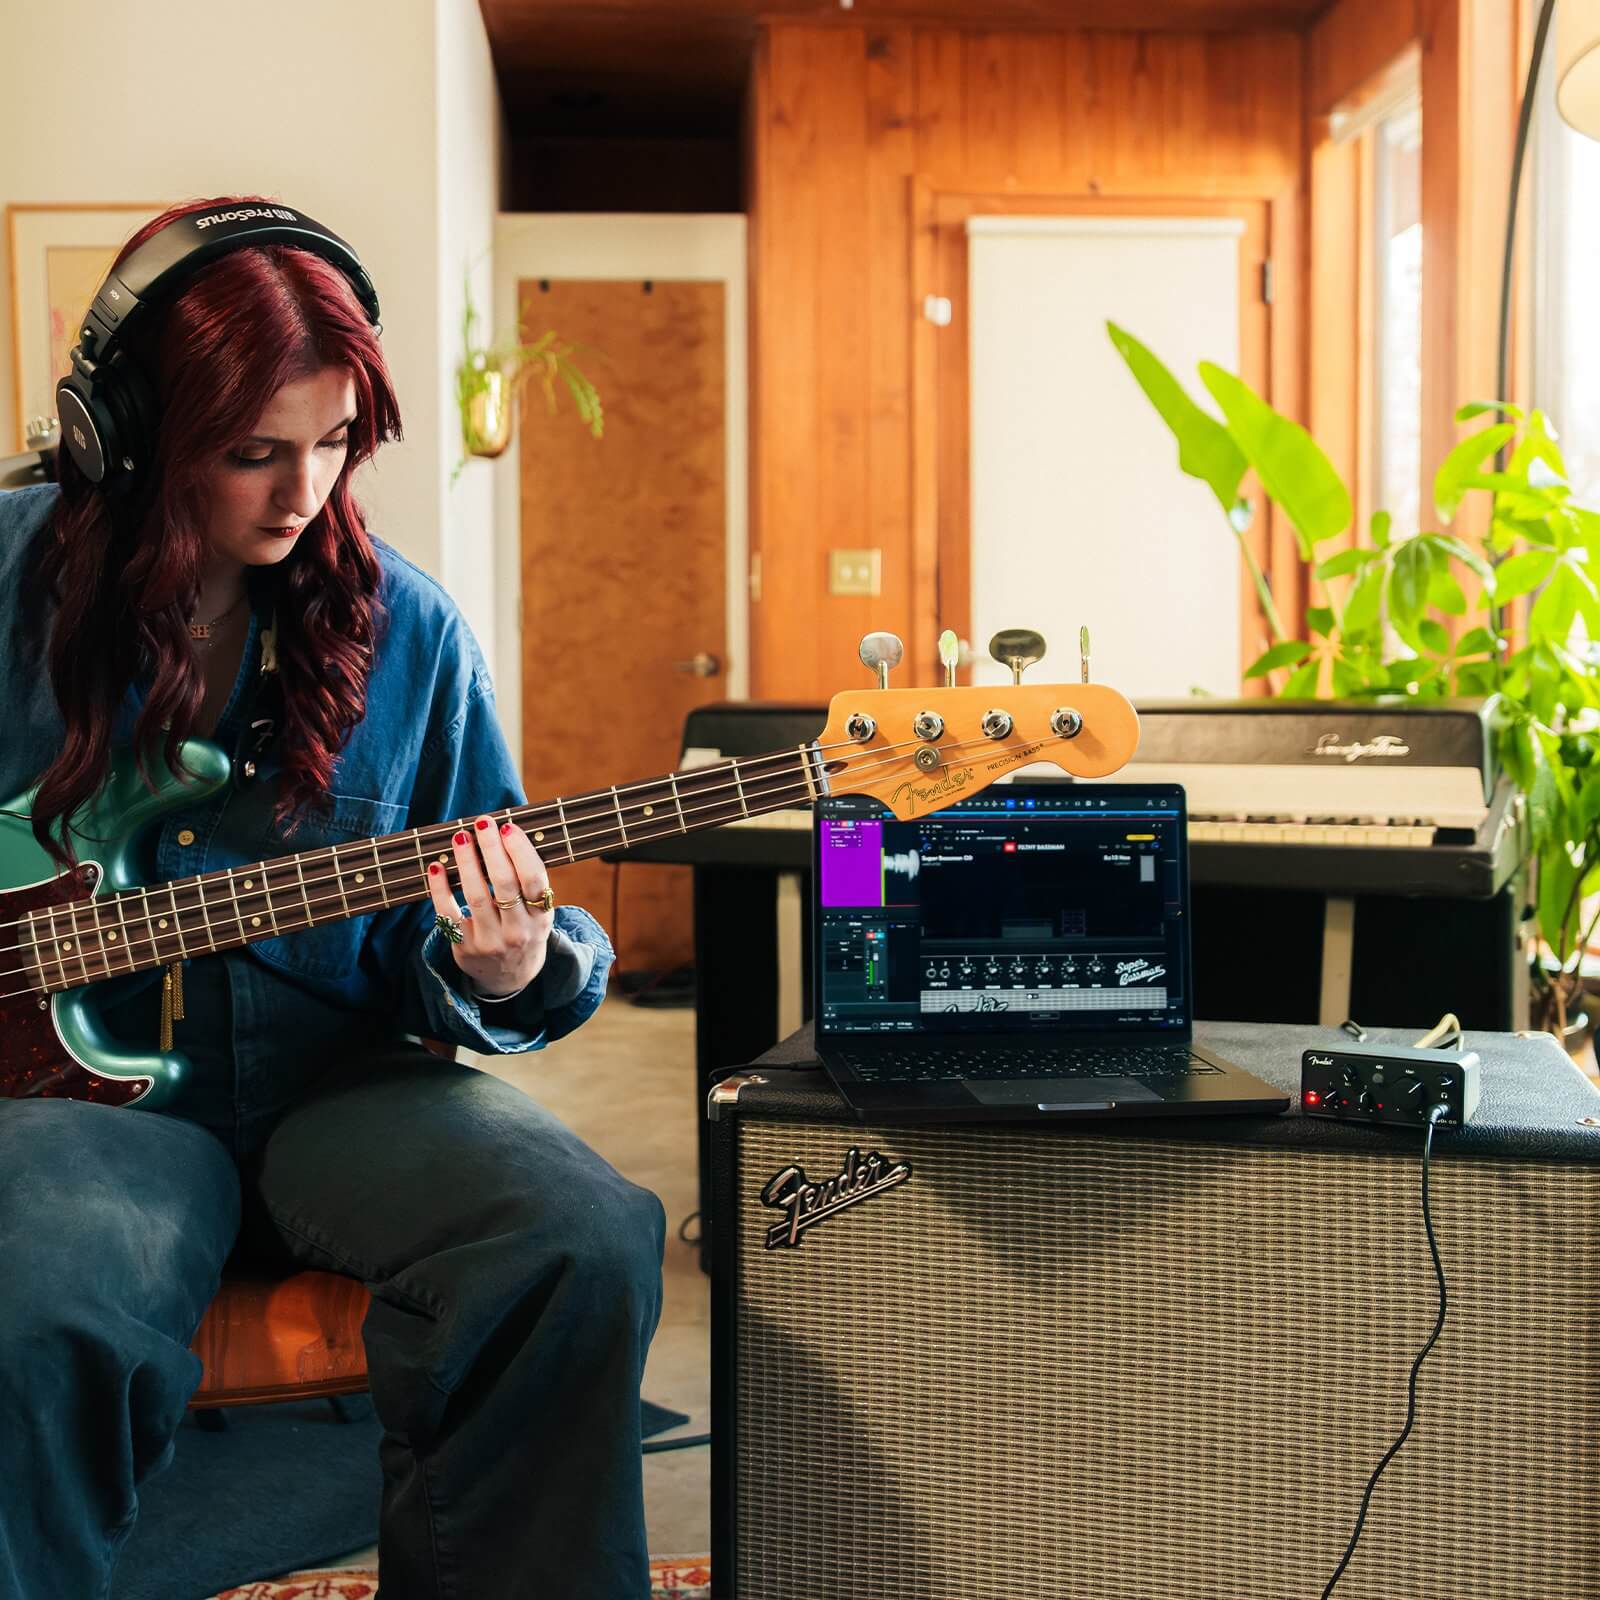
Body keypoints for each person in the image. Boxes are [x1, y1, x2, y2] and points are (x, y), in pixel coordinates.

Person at [0, 196, 666, 1599]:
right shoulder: (10, 586)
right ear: (125, 433)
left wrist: (506, 966)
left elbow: (479, 909)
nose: (301, 494)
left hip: (335, 1089)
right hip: (64, 1111)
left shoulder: (408, 630)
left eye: (333, 446)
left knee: (581, 1234)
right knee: (42, 1299)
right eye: (251, 454)